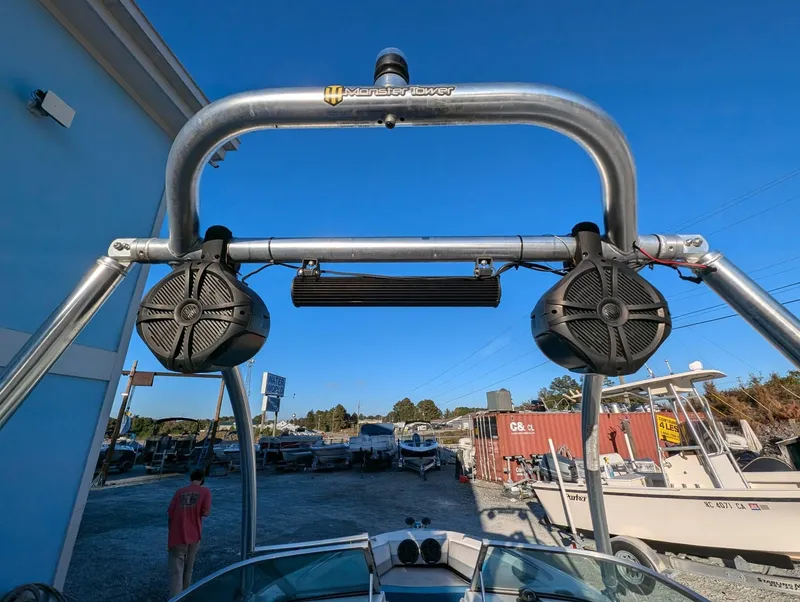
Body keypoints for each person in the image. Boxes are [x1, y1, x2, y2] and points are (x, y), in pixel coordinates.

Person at [167, 469, 211, 597]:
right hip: (194, 535)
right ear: (202, 480)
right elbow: (206, 512)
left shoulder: (179, 492)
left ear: (190, 479)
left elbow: (170, 514)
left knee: (176, 572)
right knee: (188, 570)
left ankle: (175, 599)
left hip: (177, 536)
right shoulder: (205, 491)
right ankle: (185, 596)